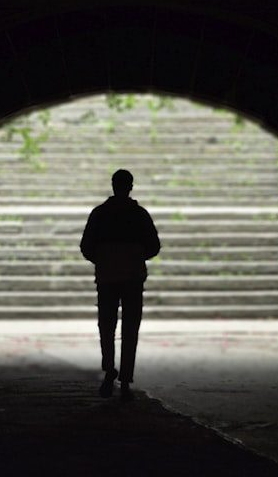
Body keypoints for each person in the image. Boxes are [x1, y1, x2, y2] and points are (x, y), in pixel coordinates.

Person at [80, 169, 161, 401]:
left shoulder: (99, 214)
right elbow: (154, 246)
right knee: (130, 329)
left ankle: (108, 369)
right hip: (133, 277)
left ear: (113, 185)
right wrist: (134, 256)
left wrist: (105, 259)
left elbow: (86, 246)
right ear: (131, 187)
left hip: (107, 277)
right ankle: (126, 379)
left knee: (106, 326)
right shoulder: (140, 215)